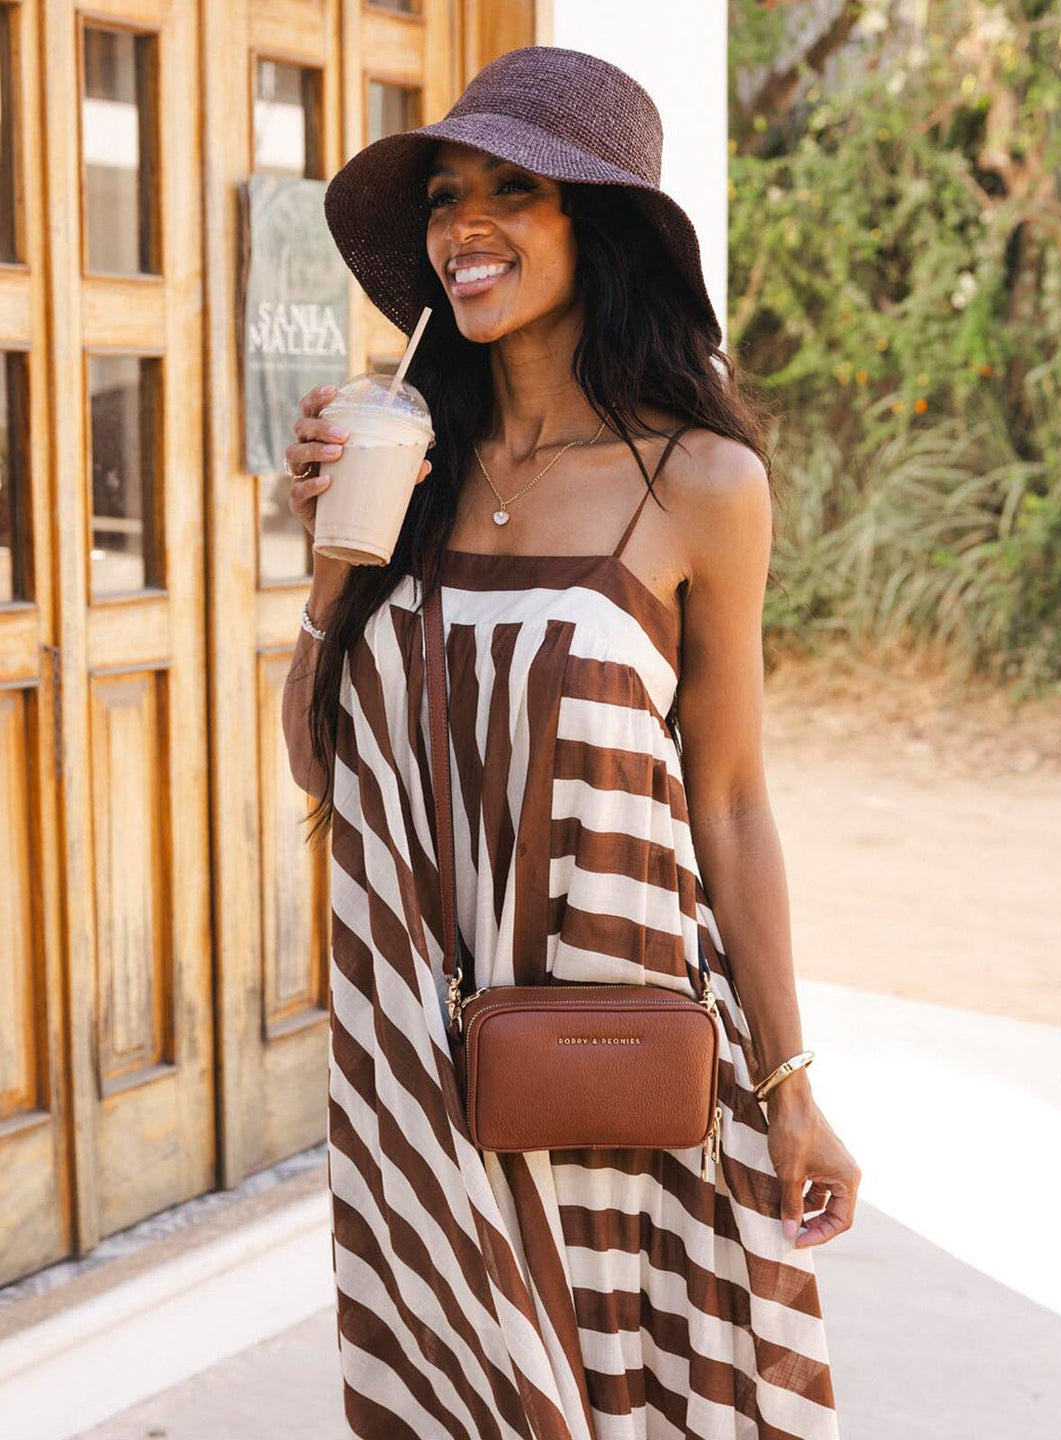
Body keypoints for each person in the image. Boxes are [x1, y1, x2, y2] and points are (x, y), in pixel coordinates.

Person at [281, 44, 859, 1440]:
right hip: (422, 1043)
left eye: (512, 191)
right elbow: (322, 763)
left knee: (628, 1389)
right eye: (446, 197)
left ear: (595, 226)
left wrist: (789, 1089)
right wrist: (329, 570)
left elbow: (728, 803)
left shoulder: (702, 482)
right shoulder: (403, 461)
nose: (463, 226)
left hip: (624, 1042)